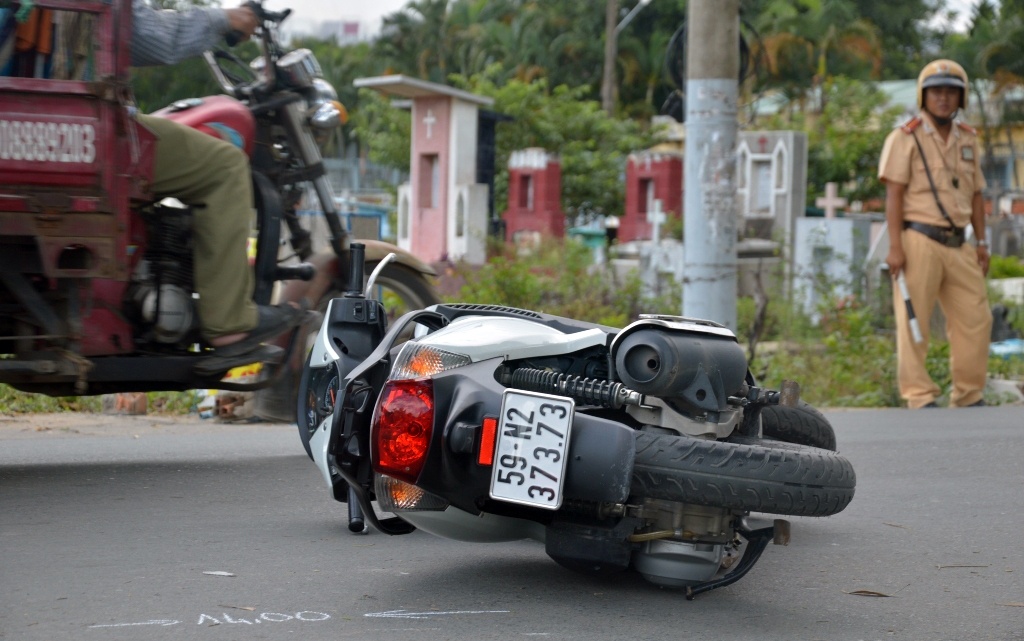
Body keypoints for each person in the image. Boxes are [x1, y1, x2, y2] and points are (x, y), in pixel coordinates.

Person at [130, 0, 303, 358]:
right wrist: (223, 19)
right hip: (93, 125)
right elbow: (148, 35)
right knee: (223, 165)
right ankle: (229, 321)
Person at [877, 59, 993, 409]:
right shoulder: (904, 137)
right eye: (936, 91)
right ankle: (919, 394)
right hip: (918, 241)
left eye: (951, 92)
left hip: (960, 243)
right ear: (923, 96)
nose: (943, 98)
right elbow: (894, 194)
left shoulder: (969, 139)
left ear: (962, 98)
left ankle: (969, 393)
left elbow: (976, 195)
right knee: (915, 320)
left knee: (977, 317)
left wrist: (983, 242)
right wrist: (895, 247)